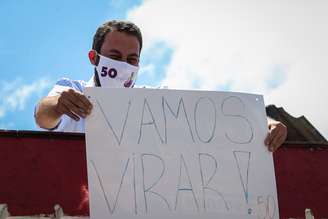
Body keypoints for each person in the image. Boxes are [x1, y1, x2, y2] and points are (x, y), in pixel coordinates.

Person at [34, 20, 287, 152]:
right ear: (94, 58)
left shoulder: (157, 102)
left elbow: (211, 111)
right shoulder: (71, 89)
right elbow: (43, 116)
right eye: (114, 56)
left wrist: (264, 122)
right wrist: (57, 104)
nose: (123, 65)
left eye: (131, 59)